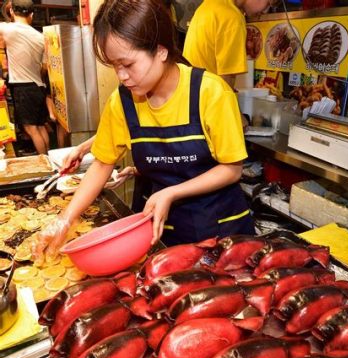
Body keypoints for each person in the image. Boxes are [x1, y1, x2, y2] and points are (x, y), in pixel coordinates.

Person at [32, 0, 254, 262]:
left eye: (128, 64)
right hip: (165, 233)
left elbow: (232, 169)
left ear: (160, 51)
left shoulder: (211, 93)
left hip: (222, 231)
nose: (122, 76)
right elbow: (102, 164)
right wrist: (65, 219)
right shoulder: (122, 102)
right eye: (114, 66)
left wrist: (171, 192)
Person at [183, 0, 271, 128]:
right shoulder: (232, 17)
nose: (266, 10)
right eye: (269, 3)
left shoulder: (210, 5)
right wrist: (237, 118)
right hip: (208, 112)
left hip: (190, 105)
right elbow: (225, 81)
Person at [0, 0, 49, 155]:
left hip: (23, 87)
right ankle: (48, 159)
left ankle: (45, 163)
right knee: (40, 126)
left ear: (13, 12)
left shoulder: (7, 29)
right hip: (38, 86)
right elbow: (45, 67)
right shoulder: (40, 36)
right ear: (32, 14)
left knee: (31, 128)